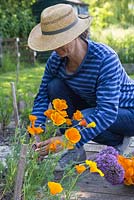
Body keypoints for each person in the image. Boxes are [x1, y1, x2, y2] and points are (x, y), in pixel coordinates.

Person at [28, 4, 134, 170]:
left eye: (62, 40)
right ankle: (76, 151)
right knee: (54, 86)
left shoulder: (105, 58)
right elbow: (42, 96)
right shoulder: (56, 61)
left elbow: (107, 112)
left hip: (127, 112)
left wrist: (66, 140)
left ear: (76, 33)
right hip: (95, 106)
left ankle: (118, 139)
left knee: (81, 118)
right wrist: (36, 131)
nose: (57, 47)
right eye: (52, 42)